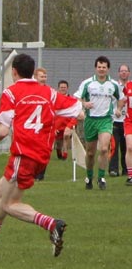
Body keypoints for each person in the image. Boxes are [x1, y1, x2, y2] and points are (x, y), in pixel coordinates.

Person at [0, 53, 84, 257]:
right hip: (41, 155)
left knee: (9, 204)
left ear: (14, 71)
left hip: (24, 153)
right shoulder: (49, 93)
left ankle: (52, 223)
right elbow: (77, 110)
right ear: (33, 72)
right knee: (1, 187)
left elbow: (1, 132)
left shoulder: (11, 93)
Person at [74, 56, 124, 190]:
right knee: (90, 153)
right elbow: (76, 98)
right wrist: (84, 104)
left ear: (108, 69)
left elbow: (122, 98)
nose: (101, 70)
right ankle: (89, 177)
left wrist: (118, 109)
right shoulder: (88, 83)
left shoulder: (113, 84)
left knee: (103, 148)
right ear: (96, 68)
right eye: (99, 67)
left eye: (104, 67)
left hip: (106, 120)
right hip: (90, 120)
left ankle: (101, 178)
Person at [109, 64, 129, 177]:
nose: (124, 73)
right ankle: (113, 169)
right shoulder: (114, 86)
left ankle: (127, 169)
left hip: (127, 121)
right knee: (114, 146)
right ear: (118, 73)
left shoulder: (131, 86)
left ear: (129, 73)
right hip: (115, 120)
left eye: (126, 71)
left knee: (127, 147)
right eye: (122, 71)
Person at [54, 80, 78, 161]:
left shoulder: (71, 100)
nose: (63, 89)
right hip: (57, 125)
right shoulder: (55, 99)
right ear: (58, 88)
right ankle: (59, 151)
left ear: (67, 88)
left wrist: (71, 124)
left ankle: (65, 153)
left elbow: (75, 113)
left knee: (66, 136)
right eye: (61, 87)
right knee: (58, 142)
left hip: (67, 124)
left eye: (64, 87)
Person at [33, 67, 48, 180]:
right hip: (32, 125)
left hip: (45, 125)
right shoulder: (31, 90)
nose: (43, 79)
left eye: (45, 76)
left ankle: (40, 174)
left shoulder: (49, 91)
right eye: (41, 76)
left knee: (43, 150)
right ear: (35, 77)